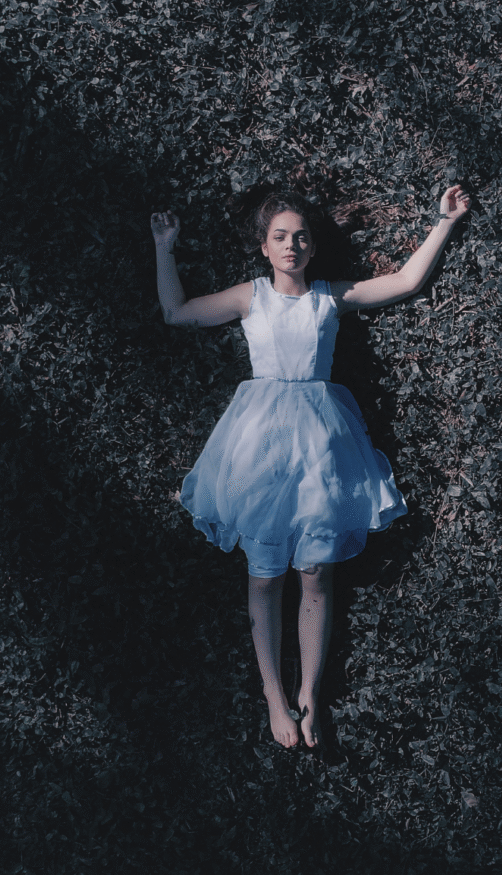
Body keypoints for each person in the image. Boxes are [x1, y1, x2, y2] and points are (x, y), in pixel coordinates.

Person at [151, 185, 470, 752]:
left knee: (317, 574)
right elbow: (177, 314)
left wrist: (442, 224)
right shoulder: (251, 297)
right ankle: (274, 695)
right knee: (265, 575)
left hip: (322, 444)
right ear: (265, 247)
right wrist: (164, 247)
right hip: (260, 446)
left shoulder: (329, 296)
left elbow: (404, 283)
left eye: (300, 236)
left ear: (312, 245)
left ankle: (310, 696)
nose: (292, 245)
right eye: (280, 237)